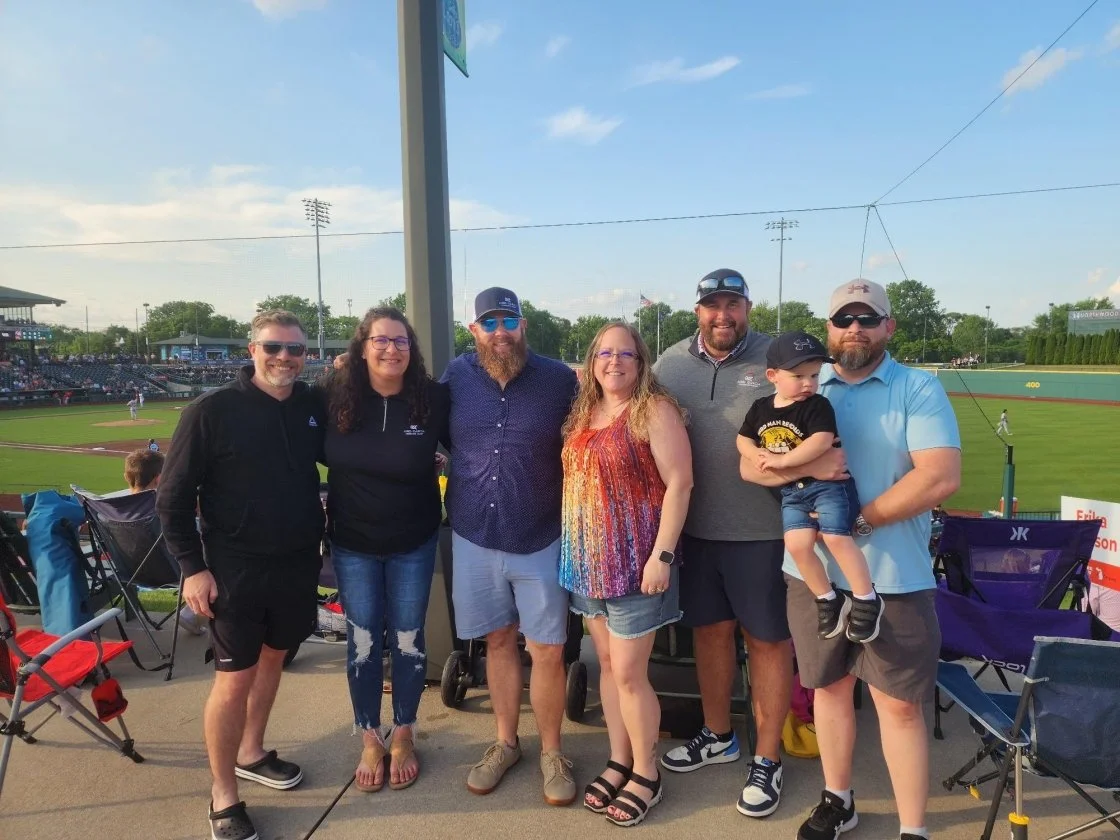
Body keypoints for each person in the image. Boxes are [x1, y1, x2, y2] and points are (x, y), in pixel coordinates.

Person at [741, 279, 960, 840]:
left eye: (868, 318)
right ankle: (839, 800)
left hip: (895, 575)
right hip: (812, 575)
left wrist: (856, 520)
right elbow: (757, 464)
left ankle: (914, 828)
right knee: (828, 692)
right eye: (844, 319)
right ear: (829, 327)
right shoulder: (808, 386)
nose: (855, 328)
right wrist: (807, 475)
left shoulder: (917, 387)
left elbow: (939, 476)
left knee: (900, 707)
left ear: (889, 326)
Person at [156, 310, 326, 840]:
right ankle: (223, 793)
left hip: (298, 561)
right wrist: (193, 569)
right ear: (252, 350)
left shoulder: (312, 406)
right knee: (233, 679)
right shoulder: (211, 412)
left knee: (275, 658)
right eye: (273, 347)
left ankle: (252, 751)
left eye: (295, 350)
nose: (284, 358)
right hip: (234, 568)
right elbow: (173, 499)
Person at [654, 268, 793, 819]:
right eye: (713, 305)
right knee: (709, 635)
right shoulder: (668, 363)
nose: (723, 315)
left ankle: (768, 756)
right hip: (695, 530)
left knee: (767, 642)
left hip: (764, 531)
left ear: (748, 308)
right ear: (698, 311)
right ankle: (718, 734)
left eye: (732, 304)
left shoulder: (775, 357)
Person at [442, 287, 580, 806]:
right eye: (489, 322)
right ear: (474, 330)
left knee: (547, 649)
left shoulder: (559, 380)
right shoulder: (455, 377)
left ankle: (551, 751)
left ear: (523, 325)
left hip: (540, 533)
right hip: (475, 532)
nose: (500, 331)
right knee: (497, 642)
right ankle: (505, 743)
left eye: (509, 320)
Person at [559, 322, 692, 826]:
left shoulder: (653, 410)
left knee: (632, 675)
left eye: (626, 354)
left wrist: (662, 555)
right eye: (605, 354)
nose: (614, 362)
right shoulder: (584, 411)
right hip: (588, 564)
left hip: (638, 566)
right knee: (609, 671)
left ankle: (646, 772)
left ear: (641, 363)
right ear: (593, 361)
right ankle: (619, 759)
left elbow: (680, 483)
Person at [323, 306, 450, 793]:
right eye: (380, 340)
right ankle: (369, 737)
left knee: (408, 640)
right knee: (361, 644)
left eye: (400, 341)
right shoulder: (332, 395)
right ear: (362, 346)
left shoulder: (432, 399)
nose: (391, 349)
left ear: (411, 349)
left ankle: (404, 733)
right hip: (353, 544)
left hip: (413, 543)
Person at [737, 331, 883, 643]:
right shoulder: (761, 408)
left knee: (835, 537)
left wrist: (781, 461)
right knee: (797, 545)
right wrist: (756, 454)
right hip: (793, 493)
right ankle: (828, 598)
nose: (809, 383)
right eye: (799, 376)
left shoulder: (818, 406)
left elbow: (821, 442)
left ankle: (867, 598)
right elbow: (743, 439)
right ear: (773, 376)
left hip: (828, 488)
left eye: (815, 375)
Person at [123, 447, 207, 636]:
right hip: (172, 570)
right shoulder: (166, 505)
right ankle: (191, 613)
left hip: (127, 571)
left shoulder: (112, 509)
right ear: (159, 478)